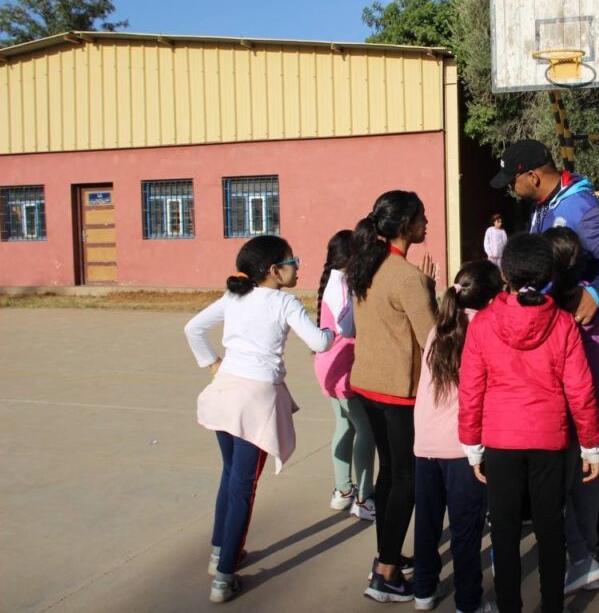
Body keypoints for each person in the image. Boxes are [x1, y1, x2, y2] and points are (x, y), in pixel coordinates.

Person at [490, 139, 599, 547]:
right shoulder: (543, 206)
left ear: (533, 176)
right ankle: (592, 520)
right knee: (569, 423)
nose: (510, 188)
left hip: (582, 331)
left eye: (512, 180)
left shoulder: (580, 207)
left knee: (585, 421)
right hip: (555, 330)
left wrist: (596, 294)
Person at [184, 235, 335, 603]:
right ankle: (223, 578)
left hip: (224, 394)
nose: (297, 267)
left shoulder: (235, 297)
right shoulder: (284, 302)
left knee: (230, 477)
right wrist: (336, 330)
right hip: (255, 401)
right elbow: (319, 343)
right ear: (274, 270)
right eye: (292, 261)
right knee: (243, 486)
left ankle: (221, 553)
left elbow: (193, 328)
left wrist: (212, 363)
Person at [459, 233, 599, 613]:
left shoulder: (482, 324)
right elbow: (580, 391)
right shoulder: (563, 324)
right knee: (550, 528)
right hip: (549, 441)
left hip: (500, 441)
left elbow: (471, 389)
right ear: (548, 275)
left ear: (504, 274)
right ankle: (552, 606)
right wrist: (591, 445)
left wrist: (471, 445)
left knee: (504, 532)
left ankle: (509, 606)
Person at [348, 190, 437, 603]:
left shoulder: (367, 265)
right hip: (398, 391)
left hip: (368, 385)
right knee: (407, 479)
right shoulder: (406, 277)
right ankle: (385, 573)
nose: (426, 224)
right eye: (421, 217)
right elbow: (432, 340)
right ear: (405, 225)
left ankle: (386, 555)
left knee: (390, 474)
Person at [413, 260, 503, 613]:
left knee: (427, 523)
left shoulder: (439, 328)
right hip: (463, 447)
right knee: (466, 530)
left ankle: (423, 591)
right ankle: (469, 602)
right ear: (492, 298)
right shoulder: (485, 330)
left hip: (425, 443)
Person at [542, 227, 599, 593]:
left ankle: (579, 558)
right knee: (587, 490)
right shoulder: (594, 301)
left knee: (556, 491)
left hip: (557, 412)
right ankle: (587, 556)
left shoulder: (549, 308)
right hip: (592, 411)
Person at [313, 230, 376, 520]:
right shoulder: (341, 286)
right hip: (342, 369)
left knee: (344, 425)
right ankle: (364, 498)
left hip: (330, 365)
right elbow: (347, 327)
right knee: (365, 430)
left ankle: (343, 490)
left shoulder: (337, 281)